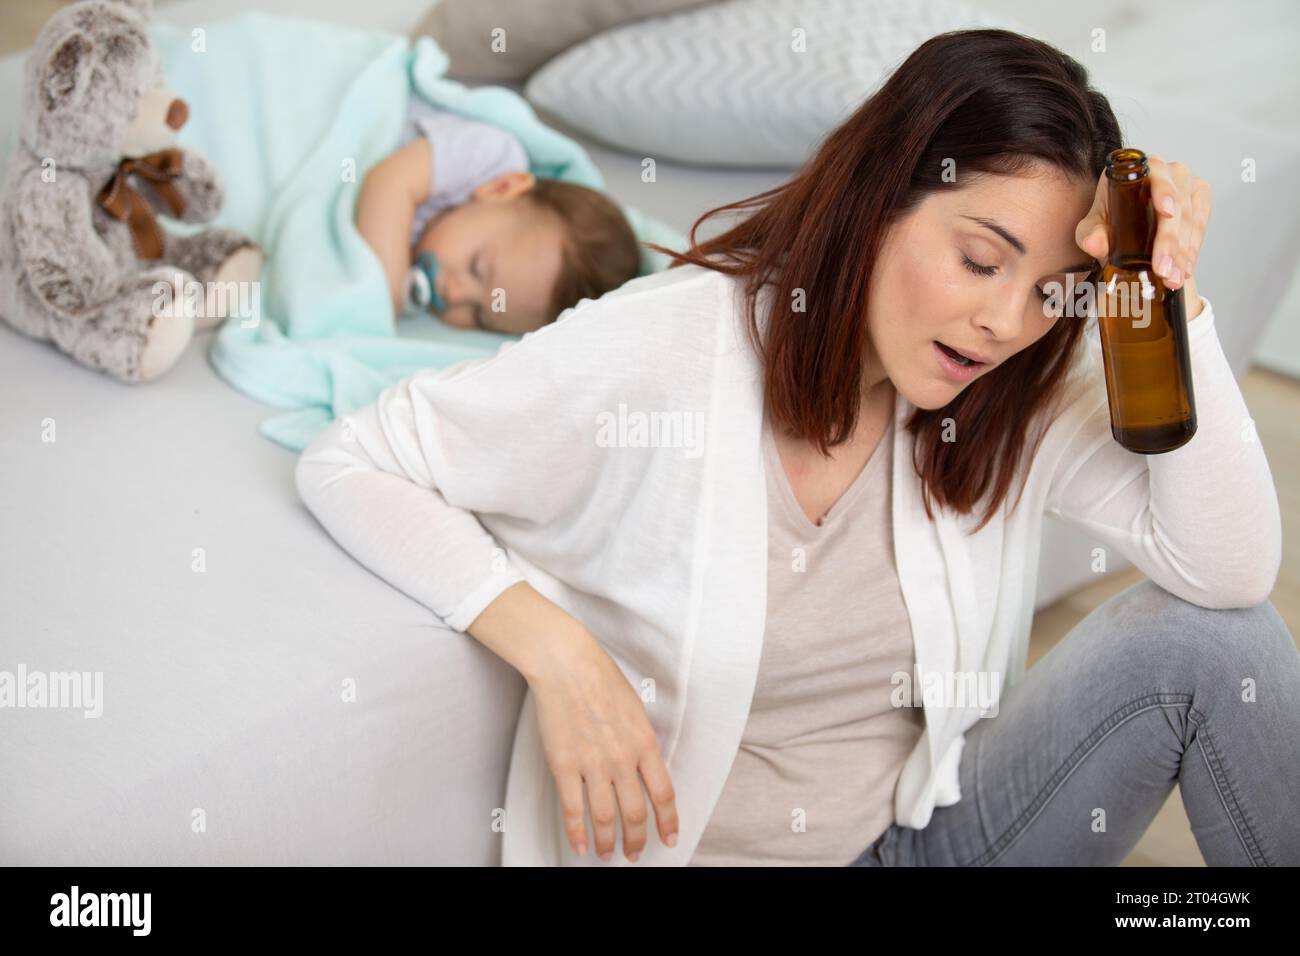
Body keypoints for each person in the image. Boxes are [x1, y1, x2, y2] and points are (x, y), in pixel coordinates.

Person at [297, 29, 1298, 866]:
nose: (1005, 321)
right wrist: (557, 653)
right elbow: (350, 458)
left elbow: (1231, 567)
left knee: (1220, 643)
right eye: (979, 259)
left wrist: (1172, 297)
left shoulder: (1004, 396)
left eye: (1048, 292)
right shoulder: (668, 349)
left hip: (916, 843)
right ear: (878, 197)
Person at [355, 97, 641, 333]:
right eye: (476, 267)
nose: (454, 295)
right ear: (502, 188)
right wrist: (385, 300)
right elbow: (389, 184)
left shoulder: (419, 284)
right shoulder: (487, 157)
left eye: (479, 315)